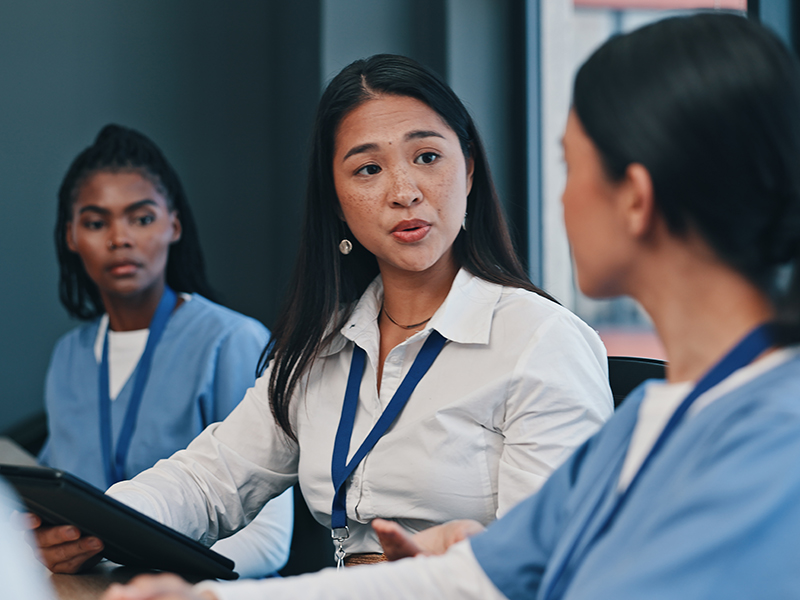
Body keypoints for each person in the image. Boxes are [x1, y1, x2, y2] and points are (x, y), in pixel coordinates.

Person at [104, 12, 800, 600]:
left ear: (635, 197)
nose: (559, 198)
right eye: (369, 168)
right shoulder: (652, 425)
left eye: (568, 165)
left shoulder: (767, 435)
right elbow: (474, 572)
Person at [32, 55, 613, 577]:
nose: (405, 190)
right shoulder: (319, 347)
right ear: (336, 203)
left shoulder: (541, 341)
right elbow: (209, 480)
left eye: (428, 156)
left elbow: (543, 565)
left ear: (470, 172)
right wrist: (95, 526)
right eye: (367, 170)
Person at [34, 124, 293, 578]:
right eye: (96, 223)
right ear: (71, 235)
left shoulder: (232, 341)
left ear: (173, 225)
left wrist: (118, 562)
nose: (120, 238)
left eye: (142, 218)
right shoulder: (68, 357)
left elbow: (268, 543)